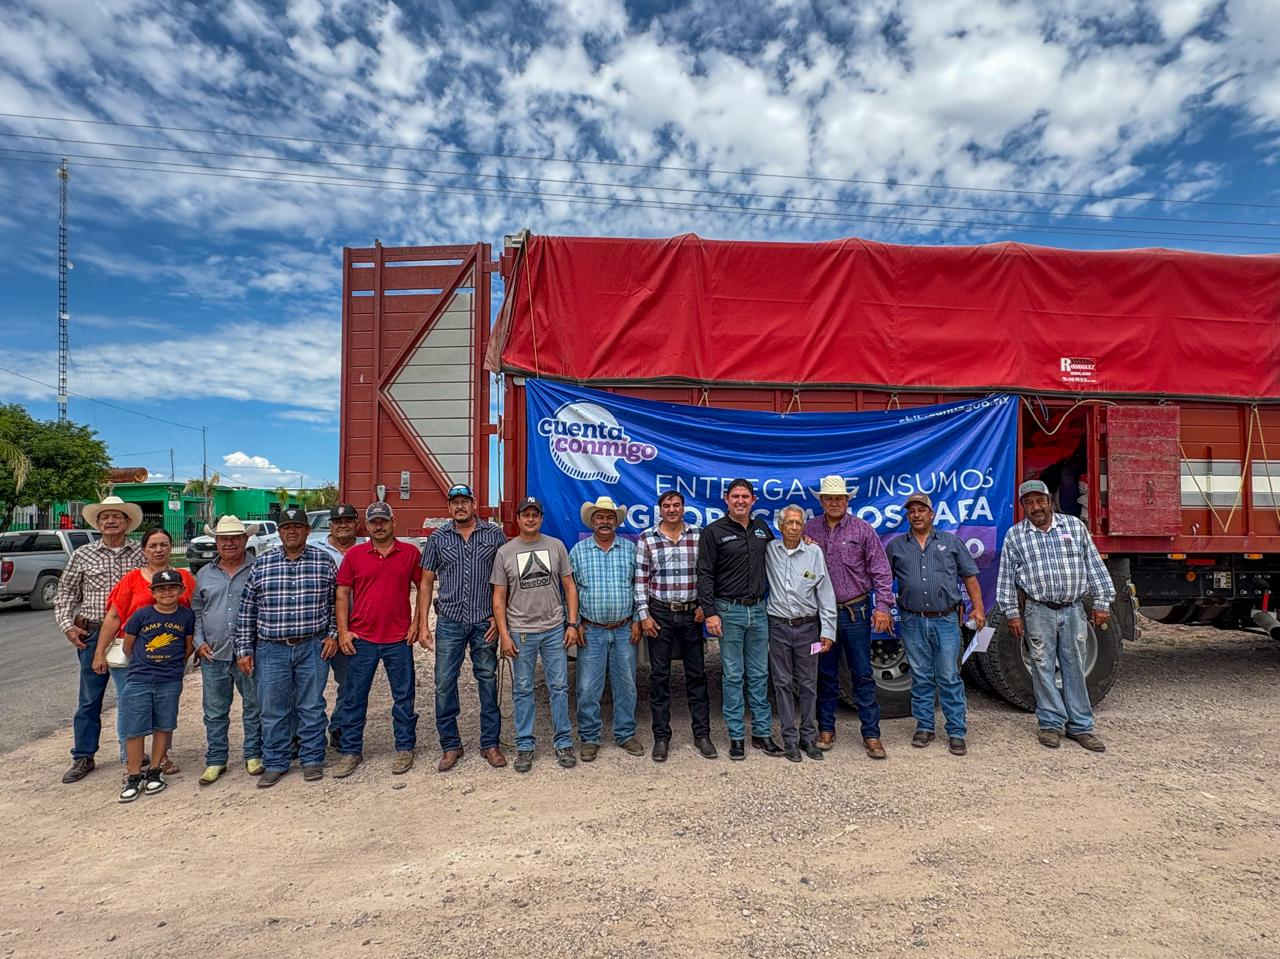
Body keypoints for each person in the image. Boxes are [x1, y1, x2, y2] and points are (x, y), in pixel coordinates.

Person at [997, 480, 1114, 753]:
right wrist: (1012, 614)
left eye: (1040, 501)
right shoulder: (1016, 536)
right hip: (1038, 610)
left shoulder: (1074, 527)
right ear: (1023, 507)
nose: (1035, 507)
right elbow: (1006, 580)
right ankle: (1050, 724)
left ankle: (1081, 727)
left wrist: (1102, 601)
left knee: (1074, 666)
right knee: (1042, 667)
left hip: (1073, 609)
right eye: (1029, 503)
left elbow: (1094, 565)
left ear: (1050, 501)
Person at [234, 506, 337, 788]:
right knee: (272, 708)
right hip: (271, 648)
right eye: (286, 527)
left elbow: (335, 603)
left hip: (312, 646)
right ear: (279, 532)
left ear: (306, 530)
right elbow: (247, 610)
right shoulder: (263, 564)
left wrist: (333, 634)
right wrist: (244, 649)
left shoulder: (324, 561)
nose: (292, 531)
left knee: (311, 706)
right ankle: (276, 762)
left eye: (298, 527)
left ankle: (312, 759)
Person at [885, 493, 985, 756]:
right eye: (912, 511)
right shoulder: (896, 546)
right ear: (907, 516)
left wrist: (979, 608)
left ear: (932, 514)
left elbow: (970, 578)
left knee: (949, 676)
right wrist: (882, 607)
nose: (916, 515)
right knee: (920, 676)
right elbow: (884, 582)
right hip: (911, 619)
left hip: (946, 619)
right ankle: (925, 727)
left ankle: (956, 731)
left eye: (921, 510)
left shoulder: (951, 542)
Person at [91, 526, 194, 778]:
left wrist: (186, 654)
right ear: (144, 549)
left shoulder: (185, 578)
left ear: (171, 547)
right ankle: (132, 761)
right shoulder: (132, 579)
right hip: (134, 659)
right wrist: (99, 652)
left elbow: (193, 617)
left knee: (165, 709)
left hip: (170, 660)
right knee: (130, 707)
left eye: (164, 544)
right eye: (153, 545)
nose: (159, 550)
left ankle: (161, 758)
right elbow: (114, 616)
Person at [55, 496, 145, 784]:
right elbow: (65, 594)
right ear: (98, 523)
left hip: (132, 635)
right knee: (89, 699)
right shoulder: (82, 555)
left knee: (131, 696)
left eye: (116, 516)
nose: (110, 521)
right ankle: (83, 755)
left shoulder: (140, 554)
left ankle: (130, 753)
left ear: (127, 522)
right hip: (92, 634)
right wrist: (68, 626)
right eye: (104, 517)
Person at [419, 483, 508, 771]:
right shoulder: (438, 538)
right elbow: (426, 581)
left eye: (465, 501)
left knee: (487, 680)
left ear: (474, 503)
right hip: (450, 620)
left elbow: (505, 579)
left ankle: (490, 743)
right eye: (454, 502)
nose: (460, 506)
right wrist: (422, 623)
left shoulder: (494, 535)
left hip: (485, 621)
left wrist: (500, 616)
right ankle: (450, 745)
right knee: (444, 683)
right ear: (449, 507)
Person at [803, 475, 893, 760]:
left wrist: (884, 607)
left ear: (847, 500)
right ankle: (826, 729)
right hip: (821, 617)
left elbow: (880, 570)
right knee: (825, 672)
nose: (833, 503)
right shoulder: (809, 529)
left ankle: (871, 734)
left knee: (862, 674)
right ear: (821, 501)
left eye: (838, 498)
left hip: (856, 612)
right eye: (828, 498)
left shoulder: (862, 530)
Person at [330, 502, 423, 778]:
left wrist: (418, 623)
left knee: (404, 697)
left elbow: (424, 586)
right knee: (354, 698)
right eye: (373, 522)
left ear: (393, 521)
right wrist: (343, 631)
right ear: (366, 526)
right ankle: (350, 751)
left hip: (398, 639)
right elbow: (342, 594)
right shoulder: (355, 555)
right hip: (363, 639)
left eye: (383, 521)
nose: (379, 526)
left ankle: (405, 748)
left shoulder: (409, 553)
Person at [491, 496, 580, 774]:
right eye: (525, 515)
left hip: (554, 629)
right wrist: (504, 635)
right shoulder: (505, 552)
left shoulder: (556, 547)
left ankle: (563, 742)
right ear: (517, 519)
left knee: (559, 687)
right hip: (521, 633)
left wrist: (572, 624)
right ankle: (525, 745)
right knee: (523, 690)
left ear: (541, 518)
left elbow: (570, 587)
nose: (530, 519)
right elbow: (498, 598)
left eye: (535, 515)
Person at [696, 479, 783, 761]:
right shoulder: (713, 532)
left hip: (758, 610)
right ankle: (736, 737)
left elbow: (781, 555)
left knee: (759, 675)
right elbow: (705, 573)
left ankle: (761, 734)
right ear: (726, 499)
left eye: (745, 496)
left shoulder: (762, 529)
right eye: (736, 496)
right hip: (728, 611)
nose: (741, 501)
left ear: (753, 500)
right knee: (733, 676)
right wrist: (709, 612)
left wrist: (803, 539)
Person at [634, 490, 715, 762]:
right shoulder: (647, 539)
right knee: (659, 677)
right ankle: (661, 737)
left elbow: (708, 574)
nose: (671, 509)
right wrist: (644, 615)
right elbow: (640, 580)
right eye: (667, 505)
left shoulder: (699, 536)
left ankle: (702, 734)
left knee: (697, 676)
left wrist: (706, 605)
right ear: (660, 509)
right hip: (660, 614)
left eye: (676, 505)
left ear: (683, 508)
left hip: (693, 615)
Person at [570, 496, 644, 761]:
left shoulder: (629, 550)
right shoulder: (578, 551)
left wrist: (637, 618)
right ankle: (590, 738)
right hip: (592, 630)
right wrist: (575, 623)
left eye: (609, 518)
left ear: (616, 522)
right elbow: (572, 591)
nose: (604, 522)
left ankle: (625, 734)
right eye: (599, 517)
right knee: (588, 687)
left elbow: (639, 586)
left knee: (627, 685)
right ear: (592, 521)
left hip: (624, 629)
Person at [191, 515, 264, 784]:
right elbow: (197, 612)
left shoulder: (258, 568)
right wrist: (199, 643)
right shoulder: (204, 574)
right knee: (214, 711)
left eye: (235, 538)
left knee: (254, 707)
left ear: (245, 540)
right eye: (223, 539)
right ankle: (216, 759)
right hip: (214, 654)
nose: (229, 543)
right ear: (216, 541)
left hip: (250, 653)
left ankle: (254, 754)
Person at [765, 505, 837, 763]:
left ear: (803, 526)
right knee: (782, 683)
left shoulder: (814, 551)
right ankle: (790, 740)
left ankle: (808, 736)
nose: (794, 527)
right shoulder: (769, 550)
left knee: (808, 684)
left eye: (798, 523)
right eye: (789, 523)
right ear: (780, 525)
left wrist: (827, 630)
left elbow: (825, 592)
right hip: (778, 627)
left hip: (808, 629)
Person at [117, 570, 195, 802]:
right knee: (134, 728)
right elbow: (128, 646)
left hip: (169, 679)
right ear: (152, 592)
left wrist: (172, 666)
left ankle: (155, 770)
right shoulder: (142, 615)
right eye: (161, 588)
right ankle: (133, 774)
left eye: (172, 588)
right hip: (140, 678)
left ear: (181, 590)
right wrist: (144, 664)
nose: (167, 592)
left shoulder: (186, 616)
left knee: (164, 724)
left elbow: (187, 646)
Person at [312, 502, 363, 749]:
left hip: (356, 628)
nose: (343, 525)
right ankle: (306, 737)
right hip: (319, 629)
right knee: (310, 688)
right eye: (337, 521)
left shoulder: (367, 548)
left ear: (356, 524)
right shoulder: (314, 549)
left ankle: (340, 728)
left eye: (348, 521)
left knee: (349, 683)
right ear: (330, 525)